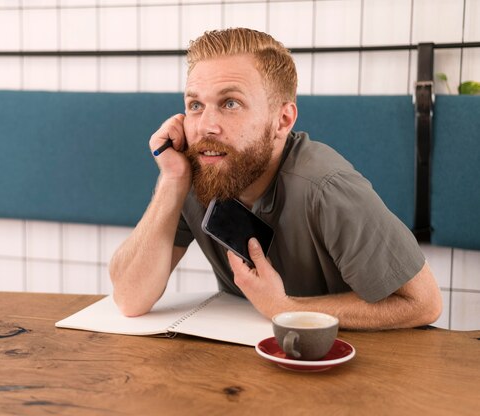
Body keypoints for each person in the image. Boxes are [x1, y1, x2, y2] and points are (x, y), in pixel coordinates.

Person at [109, 28, 442, 330]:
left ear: (283, 120)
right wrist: (173, 179)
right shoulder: (200, 173)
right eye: (195, 105)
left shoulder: (327, 188)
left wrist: (285, 308)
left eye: (230, 103)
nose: (206, 126)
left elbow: (424, 303)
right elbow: (129, 298)